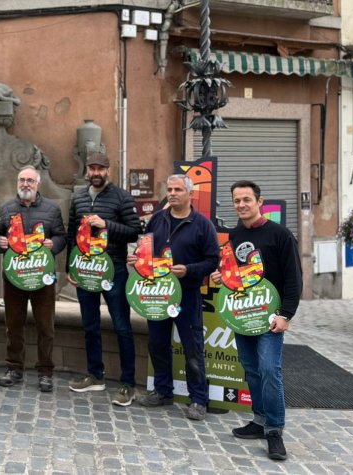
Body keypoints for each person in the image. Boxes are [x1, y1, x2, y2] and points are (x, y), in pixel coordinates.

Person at [210, 180, 302, 461]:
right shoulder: (235, 236)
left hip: (271, 316)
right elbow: (237, 276)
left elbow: (293, 278)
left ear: (259, 202)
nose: (241, 205)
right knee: (251, 369)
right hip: (243, 314)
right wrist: (221, 277)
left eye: (246, 199)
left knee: (269, 369)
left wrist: (286, 315)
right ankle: (260, 421)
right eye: (237, 200)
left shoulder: (280, 235)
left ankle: (274, 430)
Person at [127, 174, 219, 420]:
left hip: (187, 294)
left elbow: (212, 261)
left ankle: (199, 399)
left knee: (192, 348)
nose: (172, 193)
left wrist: (189, 270)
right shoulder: (157, 220)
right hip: (157, 292)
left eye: (178, 189)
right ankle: (163, 391)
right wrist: (138, 259)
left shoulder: (202, 224)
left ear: (190, 194)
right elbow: (144, 248)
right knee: (157, 343)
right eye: (169, 189)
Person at [66, 152, 142, 405]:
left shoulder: (121, 197)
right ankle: (95, 375)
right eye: (92, 168)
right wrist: (70, 267)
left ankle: (127, 384)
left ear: (108, 170)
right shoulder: (77, 197)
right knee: (90, 326)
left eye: (100, 168)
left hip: (115, 270)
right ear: (87, 170)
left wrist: (106, 223)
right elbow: (70, 235)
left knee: (122, 327)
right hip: (85, 270)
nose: (96, 173)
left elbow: (134, 232)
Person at [0, 166, 67, 392]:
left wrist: (54, 244)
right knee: (14, 325)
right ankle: (14, 367)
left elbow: (61, 236)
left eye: (30, 181)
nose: (26, 184)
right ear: (17, 183)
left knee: (46, 327)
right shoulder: (6, 208)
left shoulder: (52, 209)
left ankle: (45, 371)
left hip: (42, 277)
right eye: (22, 180)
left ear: (38, 184)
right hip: (14, 277)